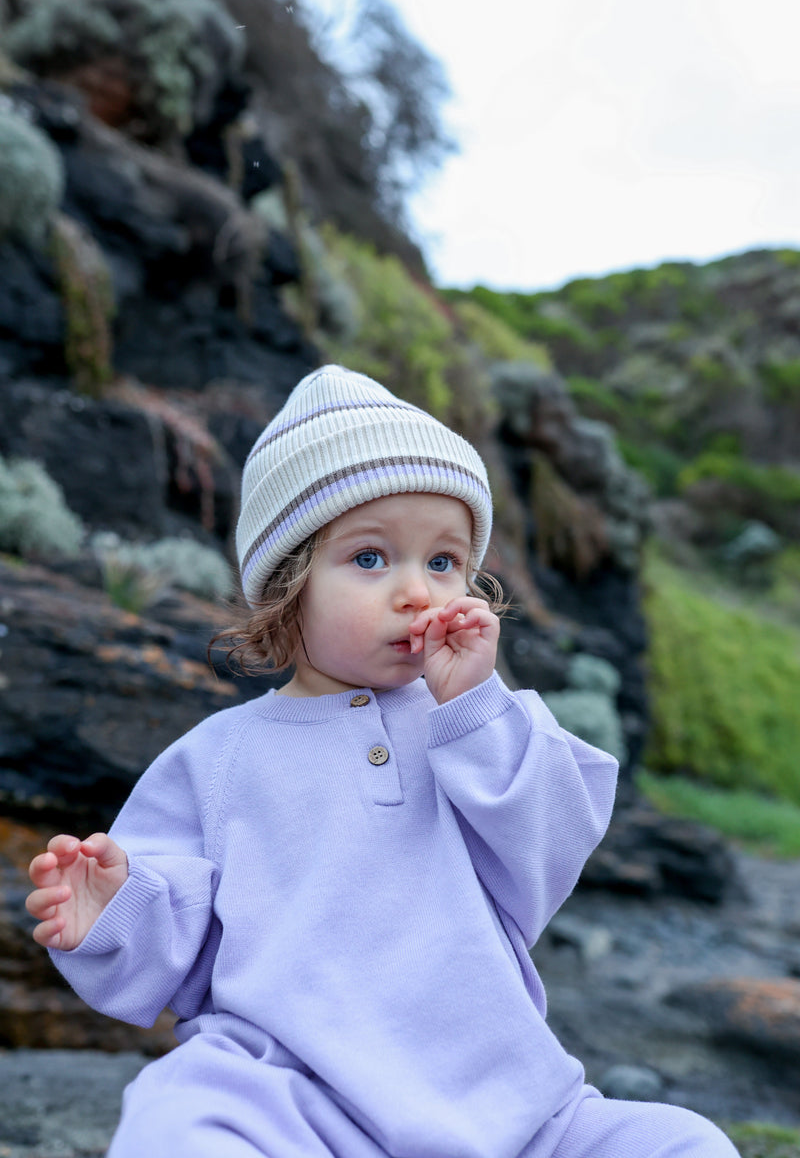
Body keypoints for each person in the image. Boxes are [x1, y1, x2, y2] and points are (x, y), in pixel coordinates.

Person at [27, 365, 739, 1158]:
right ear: (287, 588)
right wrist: (113, 908)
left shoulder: (475, 722)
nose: (417, 592)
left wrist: (475, 708)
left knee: (681, 1142)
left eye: (443, 562)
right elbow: (178, 952)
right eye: (370, 559)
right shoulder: (217, 759)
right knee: (176, 1123)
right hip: (289, 1090)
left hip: (507, 1100)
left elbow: (547, 847)